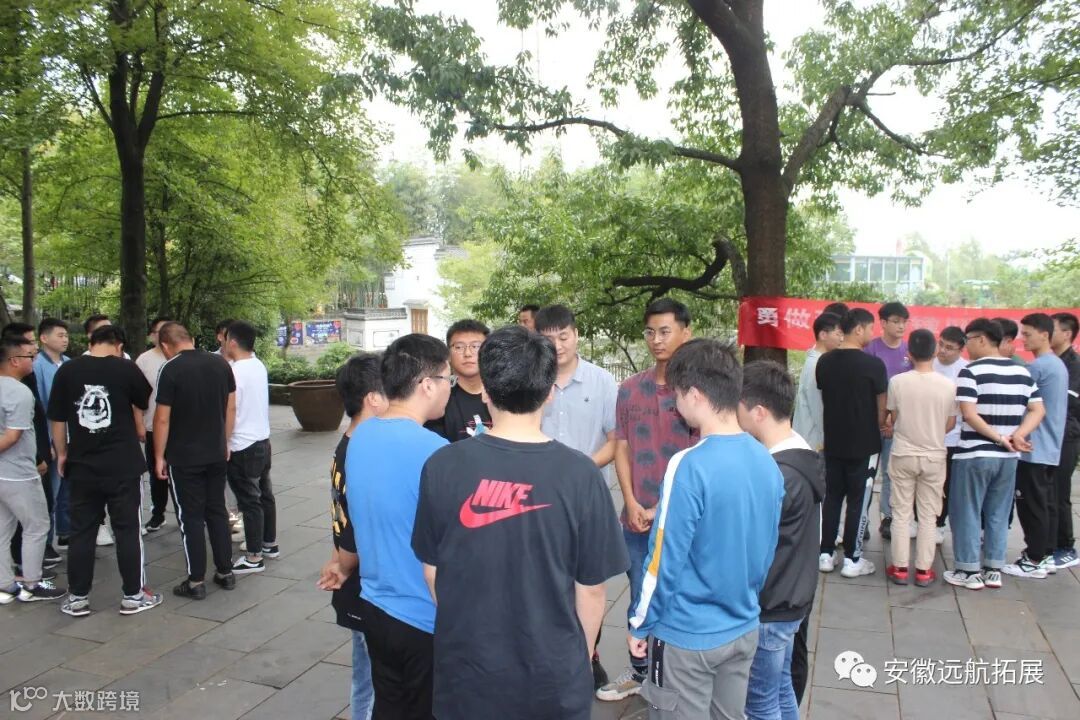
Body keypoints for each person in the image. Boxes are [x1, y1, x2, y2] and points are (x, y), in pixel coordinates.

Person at [412, 325, 628, 720]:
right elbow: (592, 590)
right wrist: (577, 659)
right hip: (552, 675)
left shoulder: (442, 465)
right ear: (549, 392)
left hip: (467, 669)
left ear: (486, 390)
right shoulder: (579, 474)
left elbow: (432, 571)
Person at [628, 339, 783, 720]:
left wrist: (640, 623)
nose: (676, 402)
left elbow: (662, 559)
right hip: (743, 626)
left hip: (686, 635)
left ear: (695, 394)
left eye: (678, 393)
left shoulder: (689, 464)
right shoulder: (765, 459)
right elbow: (767, 548)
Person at [343, 334, 451, 719]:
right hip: (423, 616)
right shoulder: (436, 453)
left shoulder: (361, 436)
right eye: (448, 379)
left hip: (375, 605)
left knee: (389, 706)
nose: (450, 388)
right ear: (427, 385)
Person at [598, 297, 697, 703]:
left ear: (686, 332)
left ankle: (678, 676)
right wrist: (632, 501)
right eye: (650, 332)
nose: (657, 339)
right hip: (636, 518)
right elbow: (621, 446)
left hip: (684, 520)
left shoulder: (697, 393)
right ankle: (640, 672)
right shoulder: (629, 389)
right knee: (640, 596)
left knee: (682, 598)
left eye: (665, 331)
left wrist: (663, 509)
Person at [47, 325, 161, 617]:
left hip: (82, 465)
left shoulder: (68, 370)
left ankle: (78, 598)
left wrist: (62, 453)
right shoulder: (126, 368)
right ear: (119, 345)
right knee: (127, 530)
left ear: (91, 342)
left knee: (81, 532)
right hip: (122, 465)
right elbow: (143, 401)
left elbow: (57, 418)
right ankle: (133, 596)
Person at [535, 304, 620, 689]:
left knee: (590, 581)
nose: (557, 345)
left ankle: (590, 652)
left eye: (563, 336)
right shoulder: (533, 380)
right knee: (547, 579)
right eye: (548, 339)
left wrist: (579, 470)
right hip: (539, 501)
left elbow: (616, 441)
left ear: (576, 335)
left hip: (588, 498)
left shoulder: (602, 382)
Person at [738, 361, 823, 720]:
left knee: (759, 704)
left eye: (739, 407)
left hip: (772, 603)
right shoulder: (800, 452)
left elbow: (753, 545)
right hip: (794, 595)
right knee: (781, 689)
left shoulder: (777, 473)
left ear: (758, 412)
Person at [944, 318, 1044, 591]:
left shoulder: (970, 371)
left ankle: (968, 570)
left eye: (968, 341)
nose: (966, 347)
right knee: (998, 513)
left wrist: (998, 437)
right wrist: (1018, 435)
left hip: (974, 454)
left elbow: (969, 414)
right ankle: (993, 569)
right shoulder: (1022, 372)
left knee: (967, 511)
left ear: (982, 339)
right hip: (1008, 458)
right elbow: (1038, 410)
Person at [317, 354, 387, 720]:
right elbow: (355, 528)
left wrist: (336, 560)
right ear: (374, 398)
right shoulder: (363, 451)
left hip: (356, 581)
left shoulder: (350, 443)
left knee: (369, 672)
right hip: (363, 584)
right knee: (371, 679)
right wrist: (342, 565)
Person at [154, 322, 237, 599]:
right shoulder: (220, 363)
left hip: (184, 456)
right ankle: (225, 572)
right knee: (216, 510)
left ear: (165, 345)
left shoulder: (170, 368)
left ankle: (195, 581)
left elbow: (162, 418)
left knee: (190, 517)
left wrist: (158, 455)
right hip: (216, 451)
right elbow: (230, 407)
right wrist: (225, 441)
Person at [884, 329, 957, 588]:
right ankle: (924, 570)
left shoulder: (898, 382)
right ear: (935, 351)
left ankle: (900, 568)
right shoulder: (948, 385)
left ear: (909, 353)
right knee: (928, 515)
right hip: (934, 456)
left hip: (903, 453)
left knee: (901, 513)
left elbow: (892, 417)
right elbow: (951, 423)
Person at [817, 308, 887, 578]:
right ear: (858, 329)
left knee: (832, 497)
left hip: (833, 440)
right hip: (864, 443)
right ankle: (852, 558)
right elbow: (881, 408)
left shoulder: (825, 362)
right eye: (870, 328)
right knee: (859, 500)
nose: (872, 333)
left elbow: (826, 397)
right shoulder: (874, 365)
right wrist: (880, 424)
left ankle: (825, 554)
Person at [0, 336, 65, 604]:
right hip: (18, 472)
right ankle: (32, 583)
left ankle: (5, 585)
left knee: (3, 528)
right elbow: (13, 435)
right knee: (37, 526)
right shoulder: (19, 392)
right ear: (14, 360)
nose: (34, 360)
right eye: (30, 356)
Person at [1003, 313, 1068, 579]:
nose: (1023, 339)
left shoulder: (1038, 367)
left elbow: (1020, 403)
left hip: (1033, 448)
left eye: (1028, 334)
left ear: (1044, 334)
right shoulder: (1056, 364)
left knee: (1032, 506)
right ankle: (1044, 555)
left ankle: (1033, 559)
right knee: (1045, 504)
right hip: (1048, 447)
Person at [223, 321, 278, 574]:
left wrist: (225, 441)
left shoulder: (234, 372)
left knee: (249, 501)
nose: (223, 343)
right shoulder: (258, 365)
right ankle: (269, 544)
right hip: (262, 441)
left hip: (242, 444)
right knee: (265, 495)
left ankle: (254, 557)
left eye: (225, 339)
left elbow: (231, 408)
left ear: (233, 342)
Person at [865, 301, 910, 541]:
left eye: (904, 322)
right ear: (882, 323)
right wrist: (880, 418)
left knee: (892, 473)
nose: (901, 326)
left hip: (898, 424)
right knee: (866, 473)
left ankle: (888, 517)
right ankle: (861, 519)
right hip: (872, 422)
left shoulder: (909, 352)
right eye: (896, 321)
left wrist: (893, 419)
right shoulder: (870, 349)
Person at [33, 318, 70, 548]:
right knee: (50, 492)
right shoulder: (37, 365)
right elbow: (39, 407)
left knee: (67, 490)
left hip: (68, 436)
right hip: (50, 436)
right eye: (60, 335)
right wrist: (47, 444)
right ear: (44, 338)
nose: (65, 339)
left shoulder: (69, 363)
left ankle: (65, 531)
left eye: (66, 335)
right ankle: (45, 544)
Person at [424, 320, 491, 442]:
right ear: (448, 354)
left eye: (475, 346)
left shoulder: (502, 394)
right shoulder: (438, 399)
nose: (467, 353)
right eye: (459, 347)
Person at [1049, 312, 1079, 569]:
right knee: (1048, 492)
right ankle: (1050, 544)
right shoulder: (1053, 362)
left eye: (1053, 329)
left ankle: (1067, 547)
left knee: (1059, 493)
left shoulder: (1074, 365)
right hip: (1051, 434)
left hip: (1067, 436)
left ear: (1067, 334)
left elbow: (1068, 402)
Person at [932, 326, 968, 545]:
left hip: (953, 437)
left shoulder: (966, 370)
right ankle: (918, 520)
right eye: (941, 344)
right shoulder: (929, 364)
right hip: (926, 435)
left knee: (945, 484)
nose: (943, 351)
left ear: (960, 349)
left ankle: (939, 524)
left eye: (949, 348)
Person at [136, 316, 171, 532]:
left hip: (180, 427)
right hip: (152, 426)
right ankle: (158, 513)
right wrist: (139, 423)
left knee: (182, 473)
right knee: (156, 473)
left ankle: (189, 512)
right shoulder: (144, 360)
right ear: (152, 336)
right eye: (160, 331)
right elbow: (137, 396)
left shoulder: (180, 357)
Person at [792, 312, 843, 452]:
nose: (841, 339)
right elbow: (818, 407)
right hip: (813, 440)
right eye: (838, 334)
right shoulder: (816, 365)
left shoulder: (819, 361)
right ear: (823, 335)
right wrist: (827, 437)